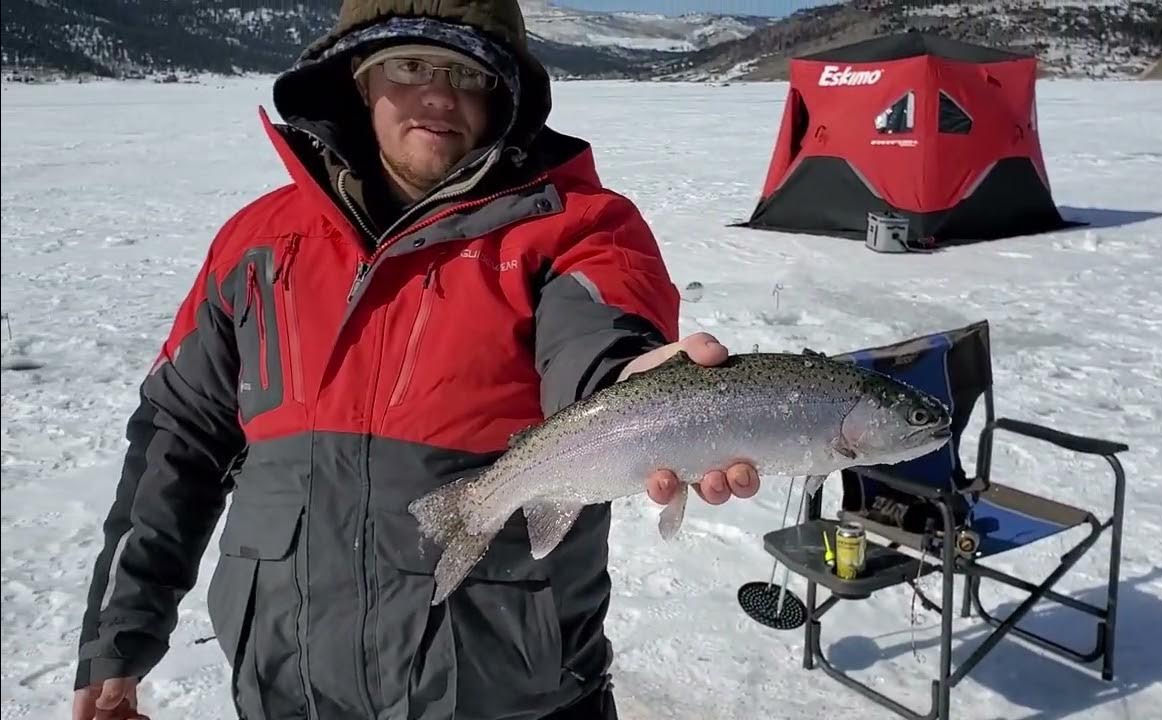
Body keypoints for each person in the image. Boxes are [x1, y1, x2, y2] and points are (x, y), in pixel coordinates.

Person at [71, 1, 762, 719]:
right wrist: (116, 638)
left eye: (467, 73)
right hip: (287, 695)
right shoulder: (258, 245)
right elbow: (178, 440)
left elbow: (600, 345)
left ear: (504, 95)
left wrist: (633, 391)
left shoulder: (578, 228)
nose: (438, 95)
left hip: (506, 698)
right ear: (359, 80)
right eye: (408, 66)